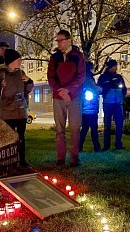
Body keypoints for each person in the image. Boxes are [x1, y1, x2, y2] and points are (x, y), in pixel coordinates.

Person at [47, 29, 86, 167]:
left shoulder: (78, 56)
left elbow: (81, 76)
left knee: (75, 128)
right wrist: (61, 91)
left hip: (74, 97)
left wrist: (68, 90)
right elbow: (50, 77)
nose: (58, 44)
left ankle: (74, 157)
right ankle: (60, 158)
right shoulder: (54, 57)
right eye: (57, 41)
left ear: (69, 40)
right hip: (59, 97)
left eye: (61, 40)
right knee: (60, 130)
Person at [0, 49, 34, 167]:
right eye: (18, 60)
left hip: (21, 111)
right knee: (8, 138)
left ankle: (22, 161)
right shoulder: (2, 73)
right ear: (11, 62)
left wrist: (29, 81)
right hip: (8, 112)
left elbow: (28, 90)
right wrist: (0, 84)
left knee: (21, 137)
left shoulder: (21, 73)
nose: (20, 63)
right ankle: (9, 162)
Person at [98, 58, 127, 151]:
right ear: (110, 67)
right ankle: (106, 146)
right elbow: (100, 89)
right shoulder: (103, 77)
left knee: (119, 124)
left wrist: (122, 94)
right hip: (108, 103)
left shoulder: (119, 77)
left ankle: (118, 144)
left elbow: (124, 89)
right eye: (115, 66)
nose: (116, 68)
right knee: (107, 125)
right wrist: (109, 86)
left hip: (118, 103)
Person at [79, 61, 102, 153]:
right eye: (92, 67)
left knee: (85, 129)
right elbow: (96, 90)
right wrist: (101, 89)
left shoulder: (85, 78)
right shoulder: (88, 79)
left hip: (86, 109)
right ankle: (96, 148)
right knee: (92, 130)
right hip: (89, 109)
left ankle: (80, 148)